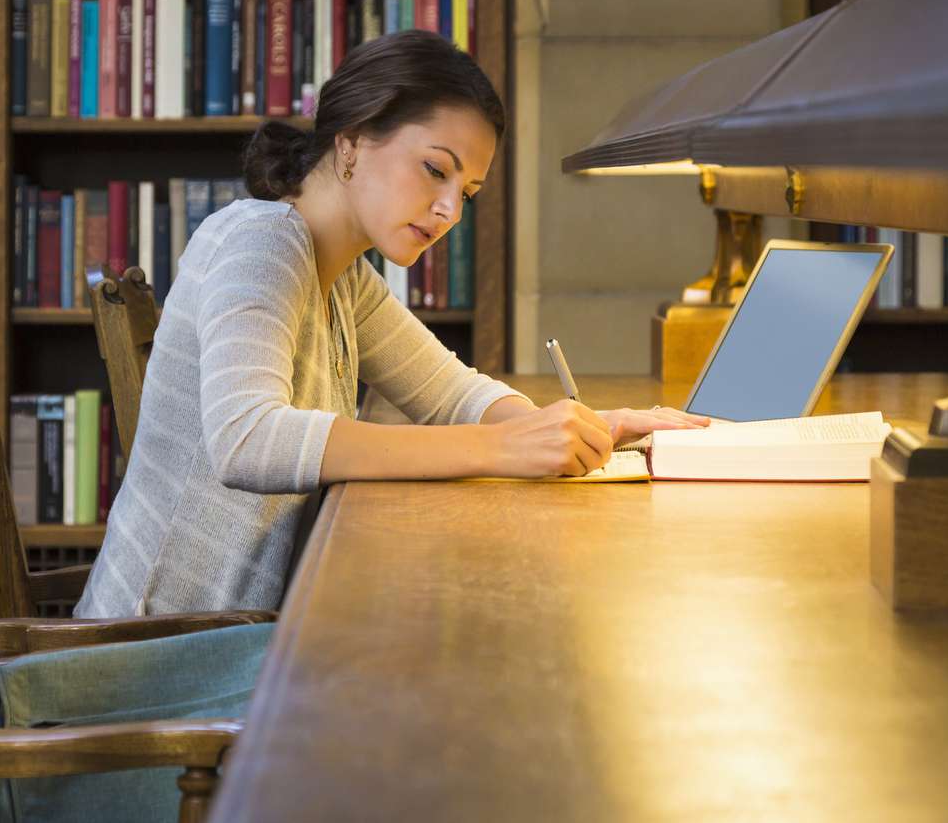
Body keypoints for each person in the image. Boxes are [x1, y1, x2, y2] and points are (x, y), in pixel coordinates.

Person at [74, 30, 707, 618]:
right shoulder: (260, 241)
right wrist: (506, 448)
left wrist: (573, 430)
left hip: (247, 632)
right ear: (350, 142)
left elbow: (451, 394)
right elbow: (247, 439)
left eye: (468, 192)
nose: (449, 210)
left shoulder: (343, 277)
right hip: (156, 652)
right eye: (435, 169)